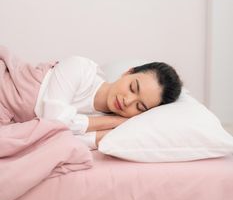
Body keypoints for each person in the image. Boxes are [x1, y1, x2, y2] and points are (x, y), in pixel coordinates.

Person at [0, 47, 182, 150]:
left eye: (140, 106)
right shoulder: (80, 68)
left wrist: (109, 132)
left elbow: (61, 143)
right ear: (128, 72)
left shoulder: (104, 123)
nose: (128, 101)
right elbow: (51, 122)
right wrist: (112, 121)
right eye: (132, 88)